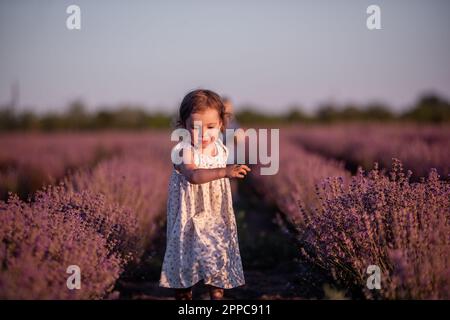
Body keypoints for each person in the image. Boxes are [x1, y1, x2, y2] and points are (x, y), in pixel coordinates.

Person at [159, 89, 251, 300]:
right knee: (184, 261)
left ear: (221, 125)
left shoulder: (220, 148)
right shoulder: (184, 150)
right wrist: (224, 172)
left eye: (210, 127)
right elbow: (193, 175)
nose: (204, 134)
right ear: (183, 127)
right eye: (195, 127)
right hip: (188, 216)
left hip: (214, 213)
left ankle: (216, 295)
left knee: (216, 258)